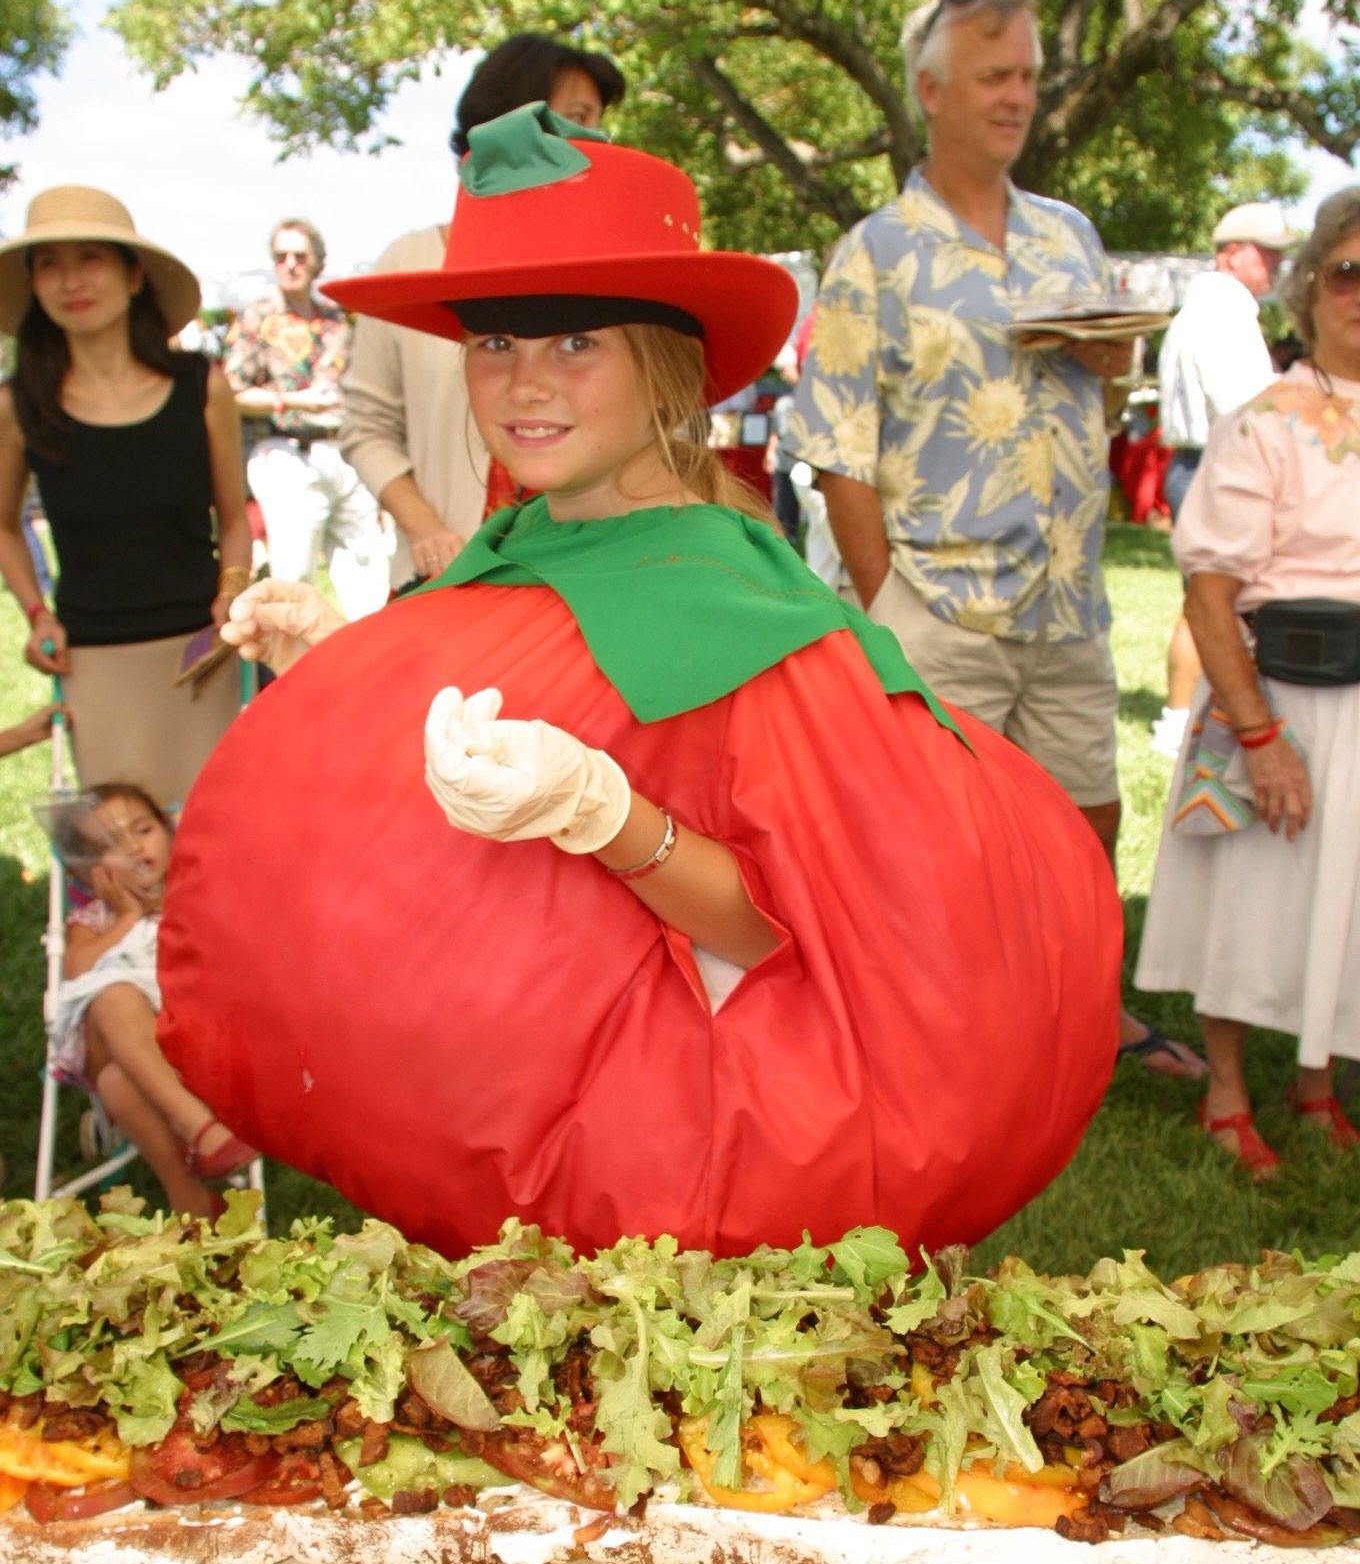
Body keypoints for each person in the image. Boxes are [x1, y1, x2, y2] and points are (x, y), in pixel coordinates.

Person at [167, 101, 1121, 1261]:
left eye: (576, 341)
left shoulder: (732, 602)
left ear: (667, 365)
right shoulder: (520, 544)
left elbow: (789, 938)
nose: (524, 385)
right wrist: (340, 661)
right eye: (495, 342)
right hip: (513, 1173)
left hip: (659, 1201)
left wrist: (608, 816)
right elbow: (495, 729)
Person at [788, 0, 1202, 1082]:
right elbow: (836, 445)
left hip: (1065, 595)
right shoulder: (873, 253)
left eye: (1025, 73)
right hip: (937, 597)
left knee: (1087, 811)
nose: (1017, 95)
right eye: (993, 76)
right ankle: (937, 1029)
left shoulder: (1069, 236)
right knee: (933, 834)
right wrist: (885, 600)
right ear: (931, 90)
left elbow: (1094, 404)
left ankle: (1086, 1009)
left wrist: (1110, 364)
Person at [1134, 188, 1360, 1178]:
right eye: (1347, 271)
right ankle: (1226, 1091)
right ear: (1310, 289)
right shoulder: (1262, 420)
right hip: (1276, 689)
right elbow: (1207, 593)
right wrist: (1258, 735)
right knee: (1251, 892)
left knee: (1343, 894)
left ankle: (1316, 1082)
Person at [338, 34, 627, 585]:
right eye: (574, 117)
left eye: (595, 122)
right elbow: (366, 426)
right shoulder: (411, 262)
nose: (593, 142)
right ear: (505, 122)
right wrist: (425, 528)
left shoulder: (616, 276)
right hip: (440, 581)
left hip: (589, 586)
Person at [0, 186, 251, 809]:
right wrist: (37, 614)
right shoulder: (17, 406)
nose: (70, 280)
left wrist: (232, 591)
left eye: (90, 258)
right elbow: (3, 527)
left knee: (216, 836)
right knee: (123, 860)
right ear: (33, 283)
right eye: (49, 264)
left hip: (202, 658)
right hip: (92, 663)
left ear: (133, 274)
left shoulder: (202, 386)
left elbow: (235, 516)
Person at [48, 783, 256, 1221]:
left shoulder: (193, 896)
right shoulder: (97, 917)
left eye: (142, 830)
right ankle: (198, 1128)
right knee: (110, 994)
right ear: (88, 871)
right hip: (116, 1032)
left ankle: (192, 1203)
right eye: (109, 846)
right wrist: (127, 916)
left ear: (168, 830)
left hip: (191, 1041)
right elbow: (77, 971)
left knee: (116, 1084)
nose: (132, 849)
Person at [1151, 202, 1292, 756]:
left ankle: (1181, 717)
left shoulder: (1202, 308)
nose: (1277, 261)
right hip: (1221, 463)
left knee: (1204, 599)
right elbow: (1244, 408)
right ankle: (1193, 719)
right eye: (1267, 250)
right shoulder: (1226, 313)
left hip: (1199, 461)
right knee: (1220, 602)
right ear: (1233, 254)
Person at [225, 216, 389, 618]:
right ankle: (293, 673)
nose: (290, 263)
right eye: (281, 255)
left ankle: (370, 669)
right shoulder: (257, 318)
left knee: (369, 574)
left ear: (318, 263)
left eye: (300, 255)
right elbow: (232, 390)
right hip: (286, 452)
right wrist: (291, 401)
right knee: (293, 577)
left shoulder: (338, 320)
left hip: (343, 451)